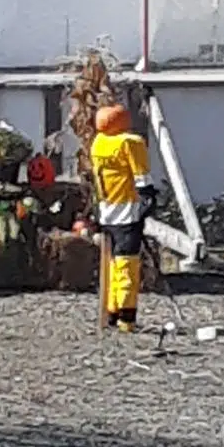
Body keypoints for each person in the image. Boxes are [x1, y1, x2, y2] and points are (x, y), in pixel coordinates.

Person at [90, 101, 158, 333]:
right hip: (127, 211)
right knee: (127, 265)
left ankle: (112, 311)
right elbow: (140, 174)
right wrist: (148, 197)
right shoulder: (130, 143)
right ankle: (127, 318)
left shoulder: (98, 144)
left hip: (106, 211)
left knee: (111, 265)